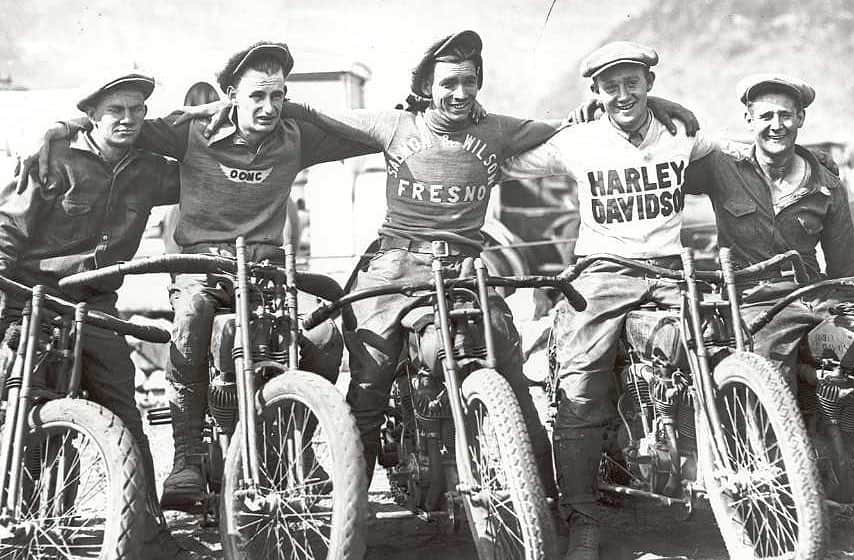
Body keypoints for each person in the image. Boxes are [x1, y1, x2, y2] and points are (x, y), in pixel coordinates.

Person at [229, 30, 701, 506]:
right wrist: (222, 110)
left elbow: (579, 121)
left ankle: (546, 503)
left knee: (510, 374)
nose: (459, 93)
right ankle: (353, 514)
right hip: (395, 268)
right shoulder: (395, 125)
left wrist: (658, 103)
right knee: (368, 389)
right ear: (427, 87)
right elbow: (307, 112)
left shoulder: (497, 130)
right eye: (448, 83)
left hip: (463, 270)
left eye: (469, 81)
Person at [30, 42, 381, 510]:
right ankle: (187, 459)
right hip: (200, 267)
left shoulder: (295, 136)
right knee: (192, 317)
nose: (269, 108)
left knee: (322, 337)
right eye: (257, 96)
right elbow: (125, 126)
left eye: (278, 96)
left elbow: (364, 136)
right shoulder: (190, 131)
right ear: (231, 93)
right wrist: (62, 126)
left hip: (265, 270)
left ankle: (291, 442)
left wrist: (409, 122)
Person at [500, 41, 722, 559]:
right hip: (603, 273)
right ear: (595, 92)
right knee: (580, 385)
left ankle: (717, 477)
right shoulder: (577, 142)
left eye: (632, 83)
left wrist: (809, 157)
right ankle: (581, 513)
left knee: (717, 349)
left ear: (648, 82)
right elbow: (505, 160)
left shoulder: (681, 136)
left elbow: (739, 151)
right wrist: (561, 121)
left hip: (669, 269)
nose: (623, 94)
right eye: (610, 86)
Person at [0, 72, 183, 558]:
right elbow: (7, 230)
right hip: (32, 295)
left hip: (97, 305)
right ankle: (20, 520)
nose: (127, 119)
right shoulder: (53, 157)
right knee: (22, 402)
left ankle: (148, 530)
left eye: (136, 110)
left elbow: (206, 160)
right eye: (115, 111)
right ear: (92, 115)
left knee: (123, 410)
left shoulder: (152, 169)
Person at [682, 74, 854, 501]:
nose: (776, 124)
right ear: (748, 119)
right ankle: (771, 475)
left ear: (801, 118)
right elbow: (664, 159)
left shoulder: (826, 183)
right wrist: (665, 107)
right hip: (751, 301)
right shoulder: (722, 166)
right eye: (765, 115)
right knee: (769, 366)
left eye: (786, 114)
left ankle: (845, 456)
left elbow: (846, 264)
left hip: (812, 296)